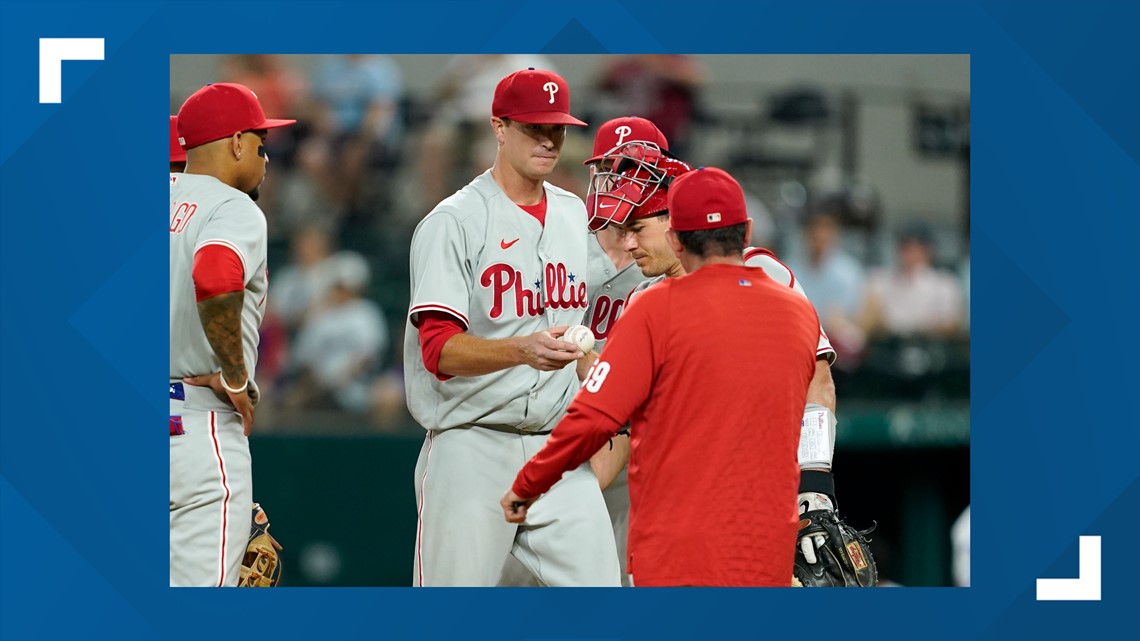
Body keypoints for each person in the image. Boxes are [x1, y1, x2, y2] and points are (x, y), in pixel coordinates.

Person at [502, 167, 820, 586]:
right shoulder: (798, 313)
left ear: (674, 238)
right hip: (766, 550)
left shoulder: (654, 310)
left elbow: (592, 419)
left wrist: (528, 484)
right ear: (747, 232)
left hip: (678, 551)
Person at [403, 68, 621, 587]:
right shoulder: (453, 221)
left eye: (558, 128)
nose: (548, 139)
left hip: (558, 451)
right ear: (499, 127)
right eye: (533, 126)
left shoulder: (575, 216)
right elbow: (439, 351)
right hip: (471, 447)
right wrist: (521, 351)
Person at [587, 140, 844, 572]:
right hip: (678, 517)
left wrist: (815, 484)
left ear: (675, 225)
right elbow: (626, 428)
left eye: (640, 226)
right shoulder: (643, 302)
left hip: (760, 499)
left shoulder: (760, 271)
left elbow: (817, 379)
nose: (629, 243)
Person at [169, 82, 295, 586]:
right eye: (262, 145)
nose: (266, 159)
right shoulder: (234, 207)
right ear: (237, 143)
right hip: (196, 425)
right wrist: (237, 378)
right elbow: (216, 275)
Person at [860, 222, 964, 338]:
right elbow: (869, 320)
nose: (912, 255)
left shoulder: (944, 283)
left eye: (919, 249)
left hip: (928, 343)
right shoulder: (880, 279)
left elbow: (951, 324)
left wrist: (921, 325)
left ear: (929, 251)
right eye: (906, 248)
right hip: (890, 343)